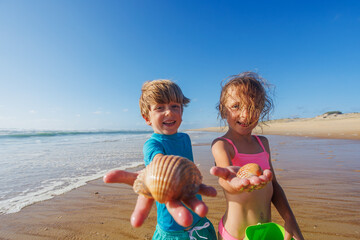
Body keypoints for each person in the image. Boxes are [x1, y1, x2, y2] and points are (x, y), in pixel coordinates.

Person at [104, 79, 217, 240]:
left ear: (182, 112)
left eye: (174, 106)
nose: (169, 112)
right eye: (160, 108)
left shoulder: (185, 138)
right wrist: (159, 169)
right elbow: (157, 159)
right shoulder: (152, 144)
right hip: (172, 228)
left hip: (199, 222)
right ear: (147, 118)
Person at [210, 72, 304, 240]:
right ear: (223, 110)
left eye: (253, 107)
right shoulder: (222, 145)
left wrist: (290, 220)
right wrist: (235, 183)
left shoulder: (263, 143)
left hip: (264, 233)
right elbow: (225, 179)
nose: (246, 115)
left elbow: (274, 185)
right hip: (234, 235)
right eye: (236, 106)